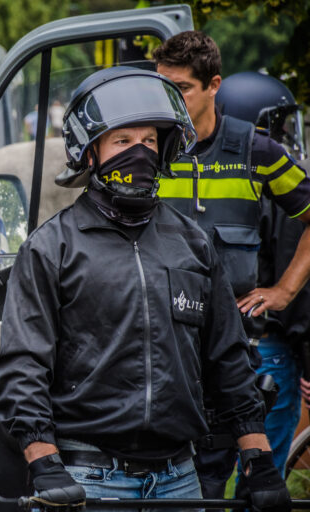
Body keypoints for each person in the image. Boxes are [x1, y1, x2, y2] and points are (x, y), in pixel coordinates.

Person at [0, 66, 291, 511]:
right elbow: (23, 364)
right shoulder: (53, 246)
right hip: (89, 477)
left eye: (149, 141)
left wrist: (258, 458)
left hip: (179, 479)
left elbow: (227, 355)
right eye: (123, 141)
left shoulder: (191, 243)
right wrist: (43, 460)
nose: (140, 152)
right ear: (90, 153)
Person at [154, 31, 310, 500]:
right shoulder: (149, 150)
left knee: (242, 485)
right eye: (163, 87)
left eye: (181, 87)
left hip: (234, 353)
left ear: (213, 84)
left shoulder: (256, 152)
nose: (171, 100)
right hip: (163, 351)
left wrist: (283, 291)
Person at [217, 70, 309, 475]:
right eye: (278, 122)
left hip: (227, 343)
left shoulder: (218, 179)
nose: (285, 131)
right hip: (269, 345)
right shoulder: (277, 179)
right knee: (263, 476)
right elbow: (302, 299)